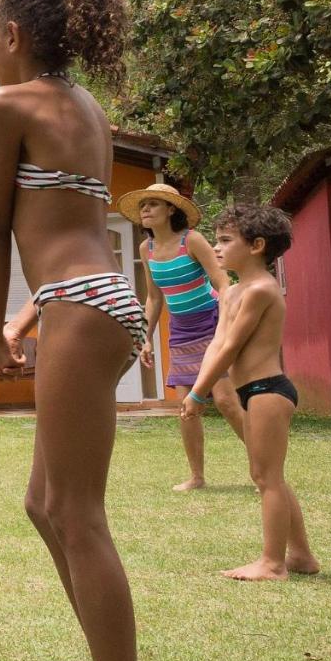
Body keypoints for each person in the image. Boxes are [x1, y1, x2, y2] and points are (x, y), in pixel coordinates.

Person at [0, 0, 156, 661]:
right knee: (45, 504)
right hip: (90, 300)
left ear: (12, 35)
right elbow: (69, 225)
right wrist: (27, 313)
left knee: (77, 513)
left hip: (81, 309)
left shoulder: (5, 105)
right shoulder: (86, 108)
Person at [181, 206, 319, 581]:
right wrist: (198, 387)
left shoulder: (260, 290)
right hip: (250, 391)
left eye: (226, 240)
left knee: (266, 478)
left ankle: (273, 564)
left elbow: (231, 349)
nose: (217, 247)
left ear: (257, 245)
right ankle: (302, 556)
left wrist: (197, 394)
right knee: (268, 475)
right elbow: (216, 344)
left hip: (268, 390)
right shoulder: (231, 292)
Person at [120, 184, 246, 491]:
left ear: (171, 210)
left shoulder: (192, 240)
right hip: (181, 330)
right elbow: (153, 298)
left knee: (227, 401)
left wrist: (225, 327)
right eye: (143, 206)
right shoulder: (145, 249)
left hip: (212, 320)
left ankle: (265, 468)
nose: (145, 210)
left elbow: (222, 281)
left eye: (153, 204)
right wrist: (145, 336)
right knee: (187, 408)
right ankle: (197, 477)